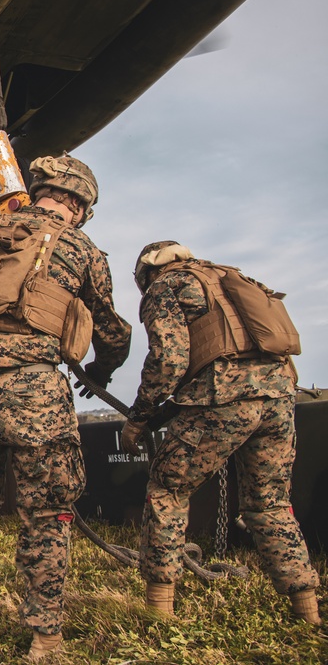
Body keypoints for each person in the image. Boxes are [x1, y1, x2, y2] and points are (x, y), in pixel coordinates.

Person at [0, 155, 131, 661]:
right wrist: (104, 369)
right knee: (45, 515)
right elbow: (110, 330)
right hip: (37, 395)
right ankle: (45, 638)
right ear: (80, 205)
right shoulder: (81, 247)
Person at [122, 241, 321, 624]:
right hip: (278, 398)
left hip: (222, 397)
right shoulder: (231, 278)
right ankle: (306, 609)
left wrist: (139, 416)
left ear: (146, 272)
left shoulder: (166, 286)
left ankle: (158, 612)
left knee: (168, 491)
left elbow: (169, 358)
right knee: (271, 504)